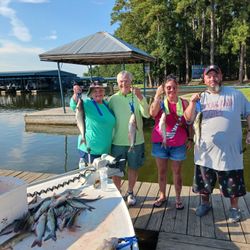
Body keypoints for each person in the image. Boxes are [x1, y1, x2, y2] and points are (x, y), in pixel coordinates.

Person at [184, 65, 250, 222]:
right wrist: (192, 104)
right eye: (209, 76)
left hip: (231, 152)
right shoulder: (201, 98)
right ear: (204, 79)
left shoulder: (235, 95)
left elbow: (249, 112)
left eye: (215, 75)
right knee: (204, 183)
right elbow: (188, 119)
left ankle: (234, 209)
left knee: (233, 183)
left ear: (221, 76)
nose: (212, 79)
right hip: (205, 153)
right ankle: (205, 204)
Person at [150, 75, 192, 208]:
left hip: (178, 144)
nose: (171, 90)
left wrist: (190, 138)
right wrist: (157, 95)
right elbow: (152, 113)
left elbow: (190, 122)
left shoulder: (184, 103)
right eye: (168, 88)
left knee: (177, 172)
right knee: (161, 171)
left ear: (178, 88)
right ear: (164, 89)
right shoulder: (160, 102)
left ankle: (178, 198)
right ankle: (162, 195)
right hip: (160, 143)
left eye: (174, 87)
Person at [108, 70, 150, 206]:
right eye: (121, 81)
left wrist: (140, 98)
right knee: (116, 170)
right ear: (117, 83)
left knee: (133, 167)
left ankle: (130, 192)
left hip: (136, 141)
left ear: (131, 81)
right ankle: (118, 192)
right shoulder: (113, 99)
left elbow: (147, 114)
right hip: (117, 142)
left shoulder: (138, 96)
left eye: (126, 80)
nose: (123, 83)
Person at [70, 81, 115, 165]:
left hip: (105, 150)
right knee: (90, 176)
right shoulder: (87, 103)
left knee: (102, 176)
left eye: (101, 90)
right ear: (90, 93)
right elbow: (73, 104)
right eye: (95, 91)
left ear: (104, 92)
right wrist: (76, 93)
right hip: (90, 150)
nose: (98, 93)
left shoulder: (106, 104)